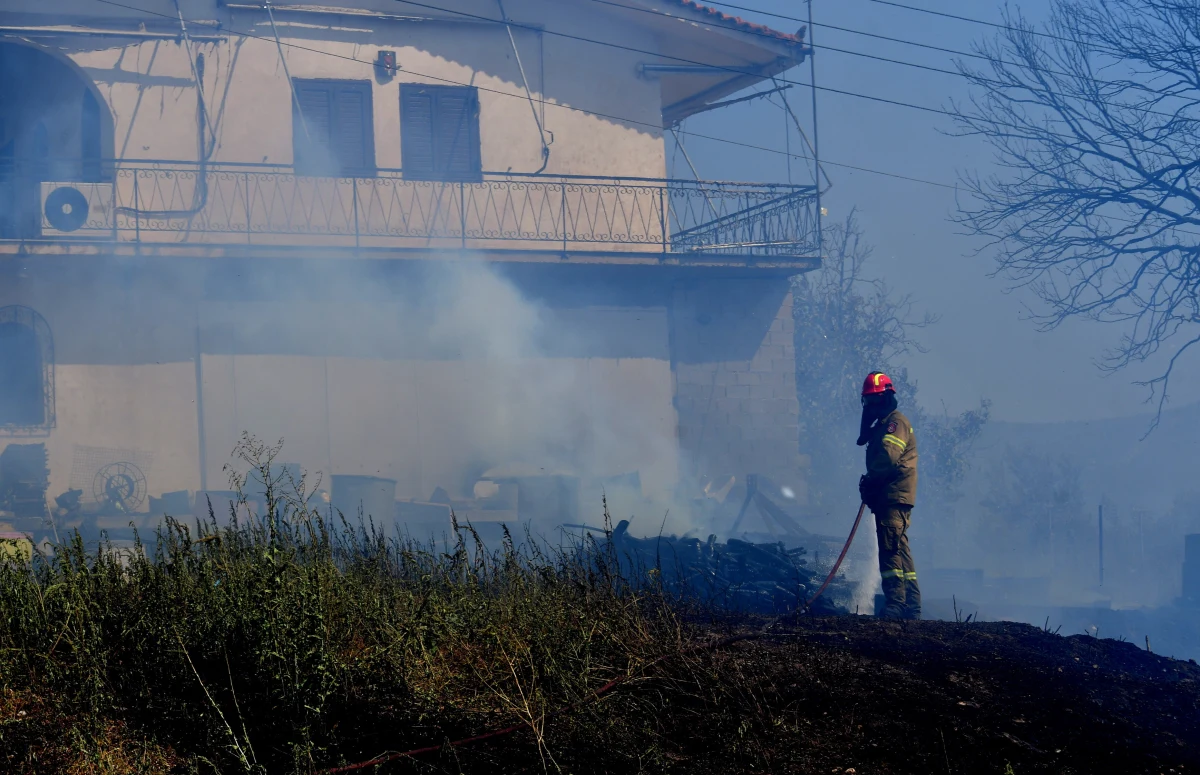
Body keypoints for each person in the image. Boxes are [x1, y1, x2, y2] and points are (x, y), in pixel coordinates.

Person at [856, 371, 920, 619]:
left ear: (884, 399)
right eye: (867, 401)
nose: (870, 406)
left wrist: (871, 479)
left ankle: (896, 604)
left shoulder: (895, 423)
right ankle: (912, 606)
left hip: (893, 495)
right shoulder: (884, 424)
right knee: (900, 550)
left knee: (889, 549)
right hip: (892, 496)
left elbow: (889, 457)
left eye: (874, 400)